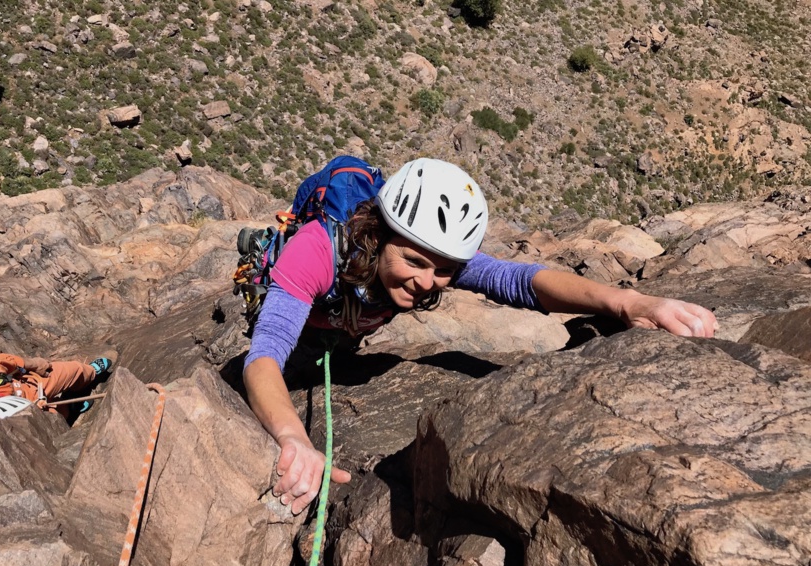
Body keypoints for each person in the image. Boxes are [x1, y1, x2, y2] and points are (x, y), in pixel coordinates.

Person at [242, 158, 718, 515]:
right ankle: (258, 248)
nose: (428, 282)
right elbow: (265, 353)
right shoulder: (319, 250)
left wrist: (628, 302)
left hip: (350, 319)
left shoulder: (425, 257)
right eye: (414, 262)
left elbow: (520, 281)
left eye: (444, 270)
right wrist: (294, 438)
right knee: (299, 327)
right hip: (313, 314)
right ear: (379, 234)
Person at [0, 353, 113, 419]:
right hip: (33, 405)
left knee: (73, 370)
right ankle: (70, 409)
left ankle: (91, 372)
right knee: (56, 415)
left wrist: (33, 364)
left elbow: (1, 360)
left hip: (27, 384)